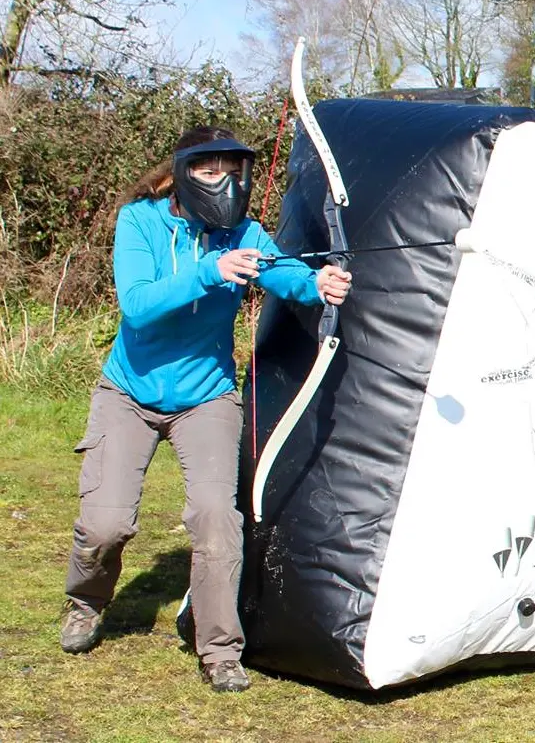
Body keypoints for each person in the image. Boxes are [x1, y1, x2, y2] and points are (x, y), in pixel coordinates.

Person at [59, 126, 352, 693]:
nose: (225, 182)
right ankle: (85, 602)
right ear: (182, 173)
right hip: (128, 394)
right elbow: (137, 305)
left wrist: (317, 282)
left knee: (216, 518)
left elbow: (281, 270)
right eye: (210, 170)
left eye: (234, 171)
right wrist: (209, 271)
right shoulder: (140, 221)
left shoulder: (242, 231)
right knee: (106, 523)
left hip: (207, 397)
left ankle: (220, 650)